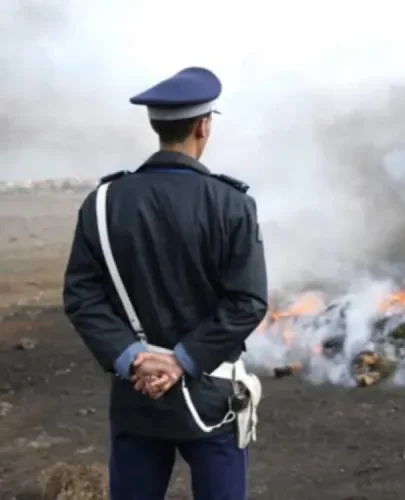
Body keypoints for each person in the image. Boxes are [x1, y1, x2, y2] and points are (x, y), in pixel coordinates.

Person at [62, 67, 268, 499]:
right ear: (203, 126)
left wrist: (134, 358)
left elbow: (82, 296)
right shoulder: (232, 204)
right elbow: (247, 302)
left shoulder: (103, 202)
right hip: (212, 396)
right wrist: (183, 361)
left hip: (136, 398)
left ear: (155, 125)